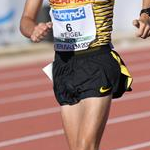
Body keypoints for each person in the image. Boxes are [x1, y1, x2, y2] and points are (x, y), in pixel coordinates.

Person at [20, 0, 150, 150]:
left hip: (97, 61)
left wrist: (146, 14)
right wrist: (33, 30)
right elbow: (26, 20)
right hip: (64, 65)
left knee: (85, 146)